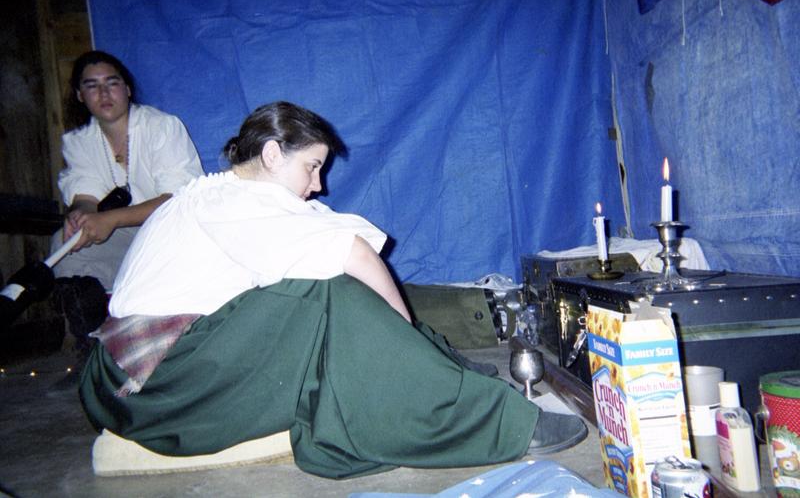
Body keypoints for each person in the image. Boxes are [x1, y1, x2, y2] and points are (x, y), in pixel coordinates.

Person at [78, 101, 587, 478]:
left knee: (331, 286)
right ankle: (488, 422)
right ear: (272, 155)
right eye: (312, 166)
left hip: (129, 380)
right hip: (154, 389)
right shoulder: (239, 202)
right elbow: (356, 254)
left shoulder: (214, 195)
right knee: (331, 292)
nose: (318, 183)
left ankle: (450, 369)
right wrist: (405, 345)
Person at [50, 50, 204, 360]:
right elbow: (86, 196)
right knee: (65, 244)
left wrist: (112, 220)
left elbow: (179, 200)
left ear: (127, 89)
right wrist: (82, 217)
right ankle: (94, 347)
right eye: (92, 86)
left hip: (173, 236)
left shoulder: (162, 127)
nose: (104, 93)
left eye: (112, 83)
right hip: (127, 236)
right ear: (80, 95)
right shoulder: (79, 141)